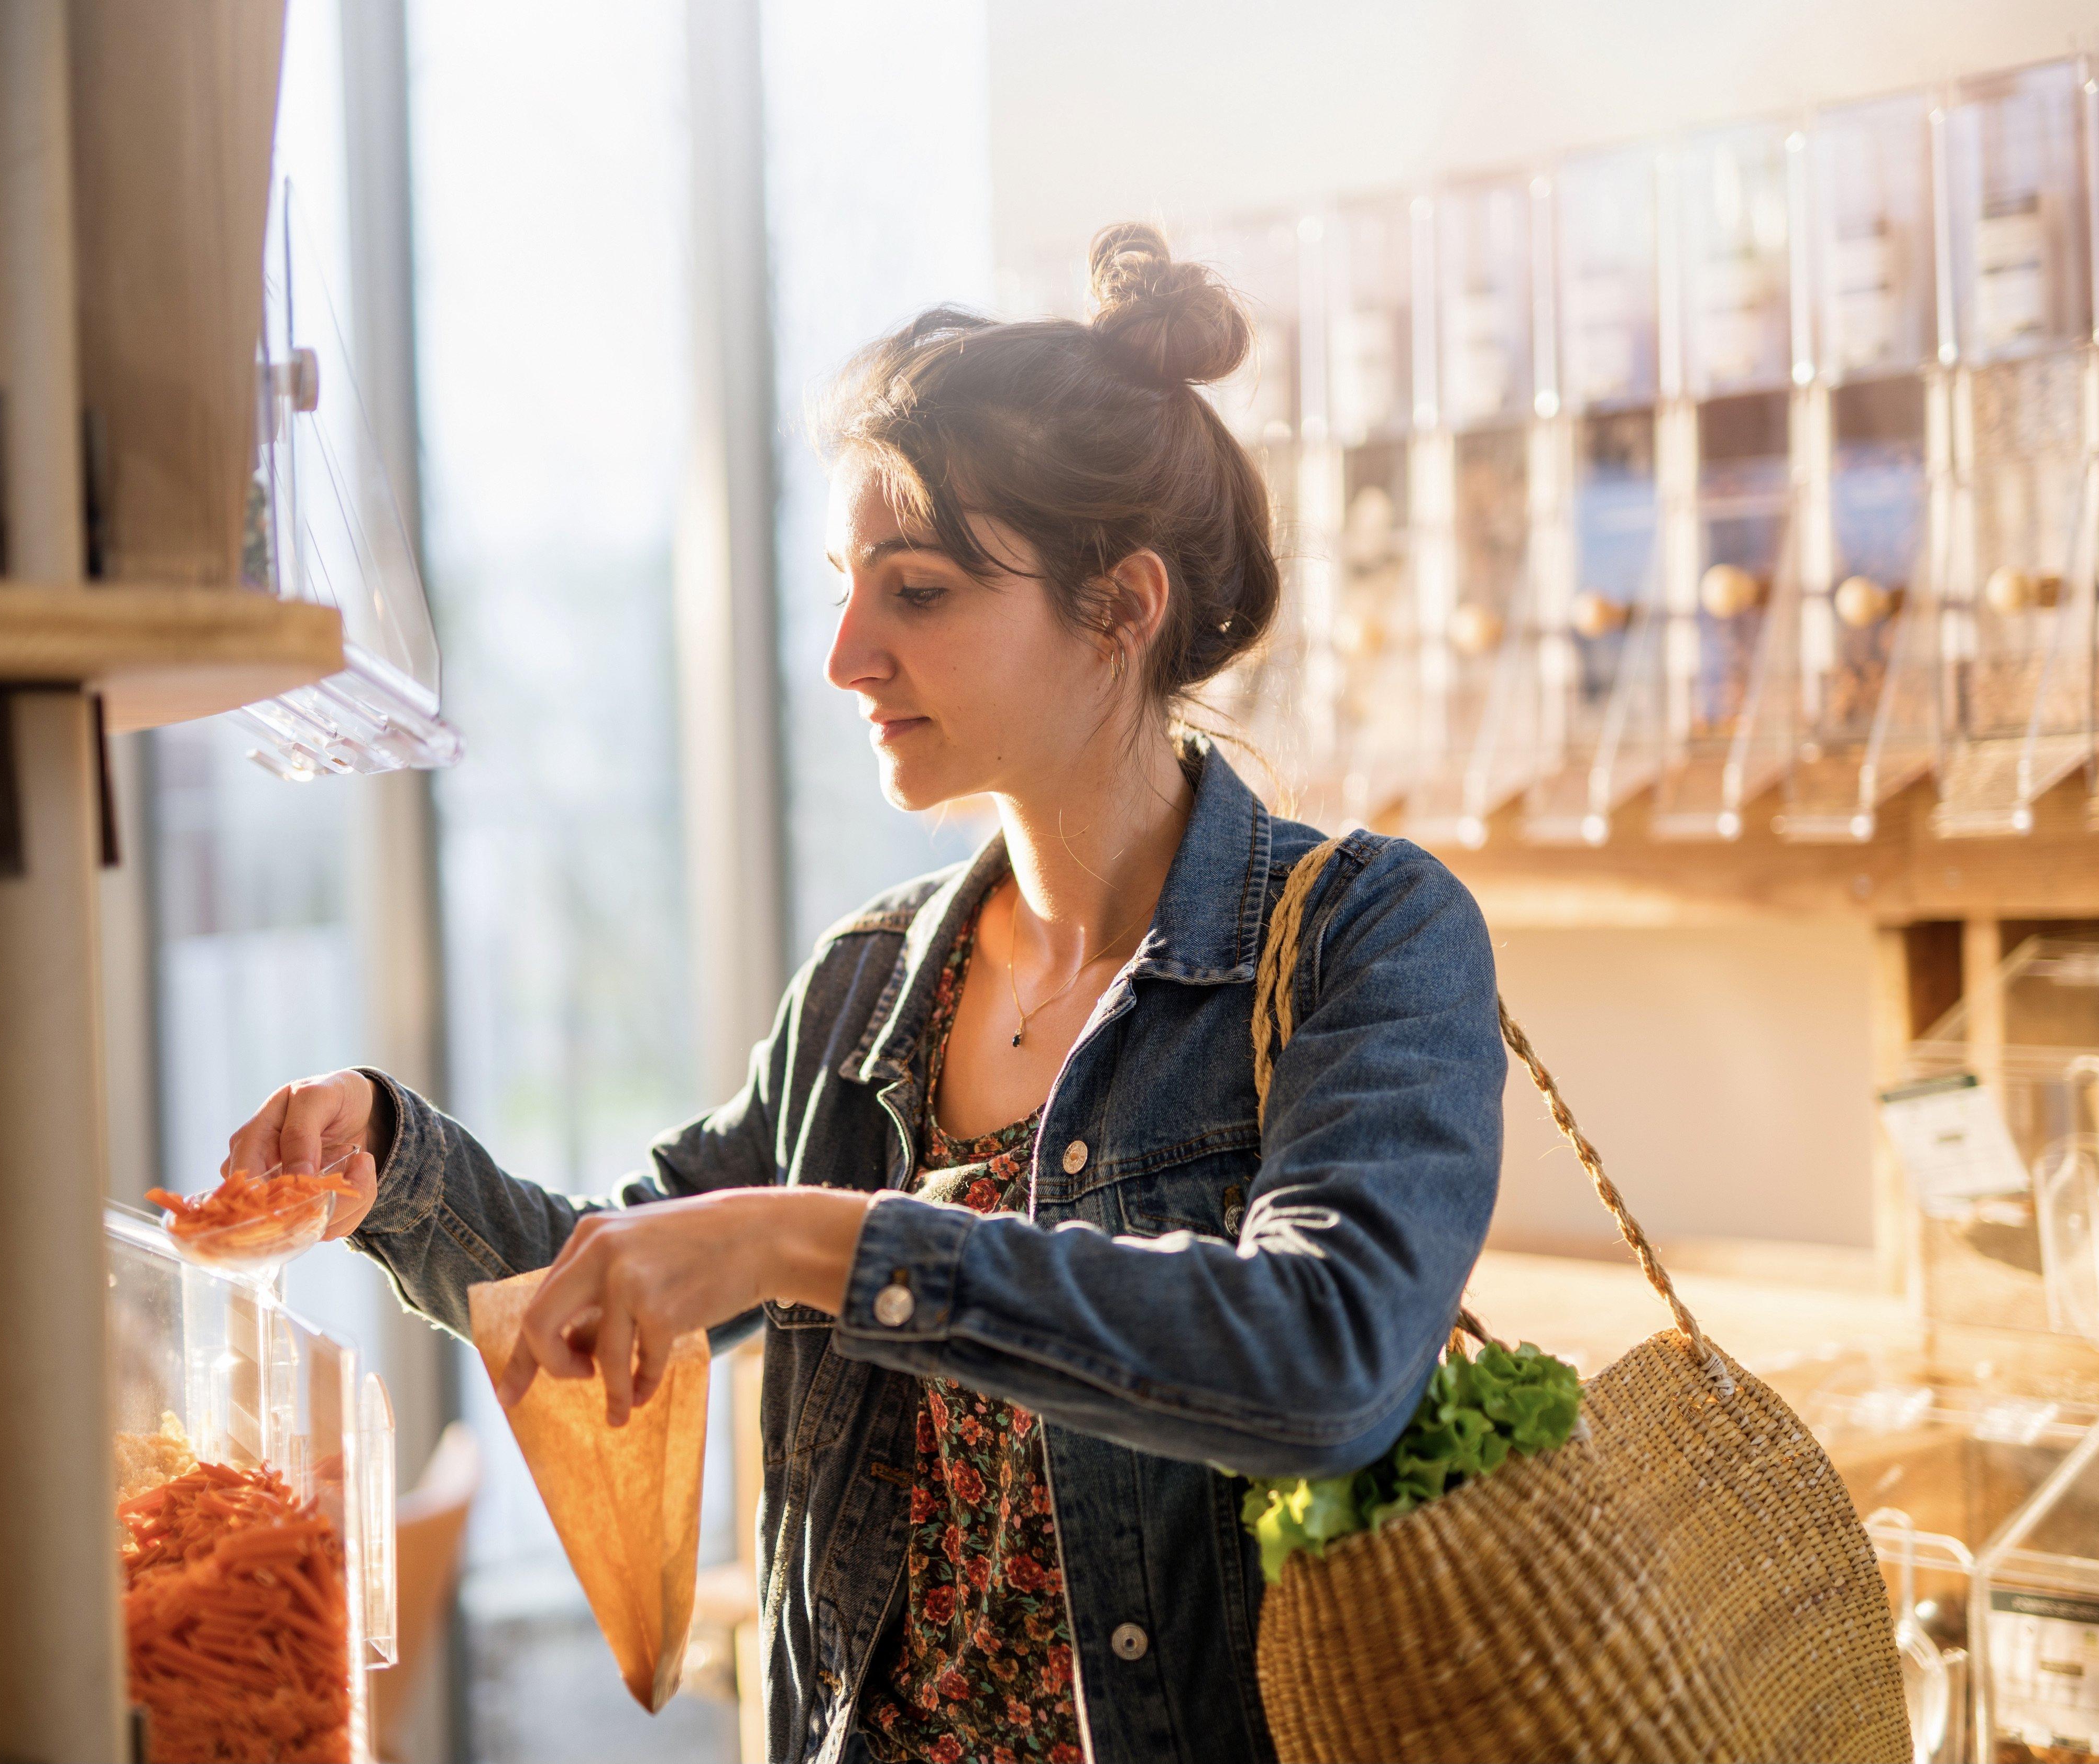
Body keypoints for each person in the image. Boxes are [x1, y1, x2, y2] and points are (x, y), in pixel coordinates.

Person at [226, 223, 1505, 1764]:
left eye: (919, 591)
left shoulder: (1367, 937)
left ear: (1122, 607)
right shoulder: (867, 992)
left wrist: (809, 1239)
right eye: (845, 586)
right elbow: (608, 1285)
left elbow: (1328, 1361)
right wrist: (387, 1158)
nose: (845, 654)